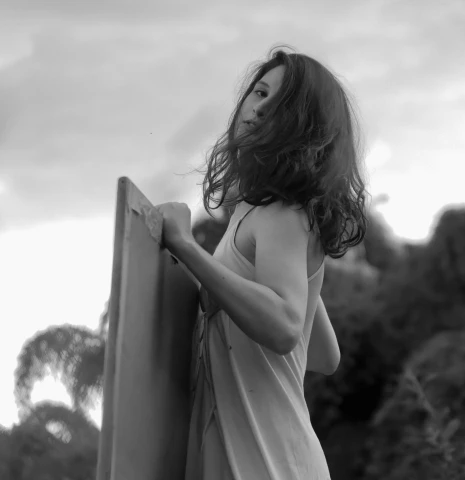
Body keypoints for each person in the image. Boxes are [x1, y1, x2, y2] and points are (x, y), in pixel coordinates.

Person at [157, 46, 368, 480]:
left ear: (305, 128)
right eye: (259, 92)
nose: (259, 109)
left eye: (279, 103)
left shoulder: (280, 213)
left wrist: (184, 246)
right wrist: (294, 285)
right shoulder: (264, 215)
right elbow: (324, 354)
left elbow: (285, 326)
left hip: (267, 462)